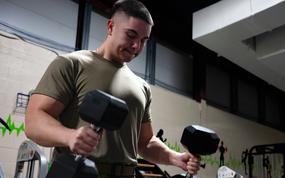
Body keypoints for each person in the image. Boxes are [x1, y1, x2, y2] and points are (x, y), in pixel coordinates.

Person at [24, 0, 200, 177]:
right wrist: (69, 136)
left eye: (143, 41)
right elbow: (34, 122)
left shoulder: (142, 87)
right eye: (131, 35)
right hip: (79, 173)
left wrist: (174, 157)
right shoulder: (72, 64)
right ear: (110, 27)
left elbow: (145, 142)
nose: (136, 47)